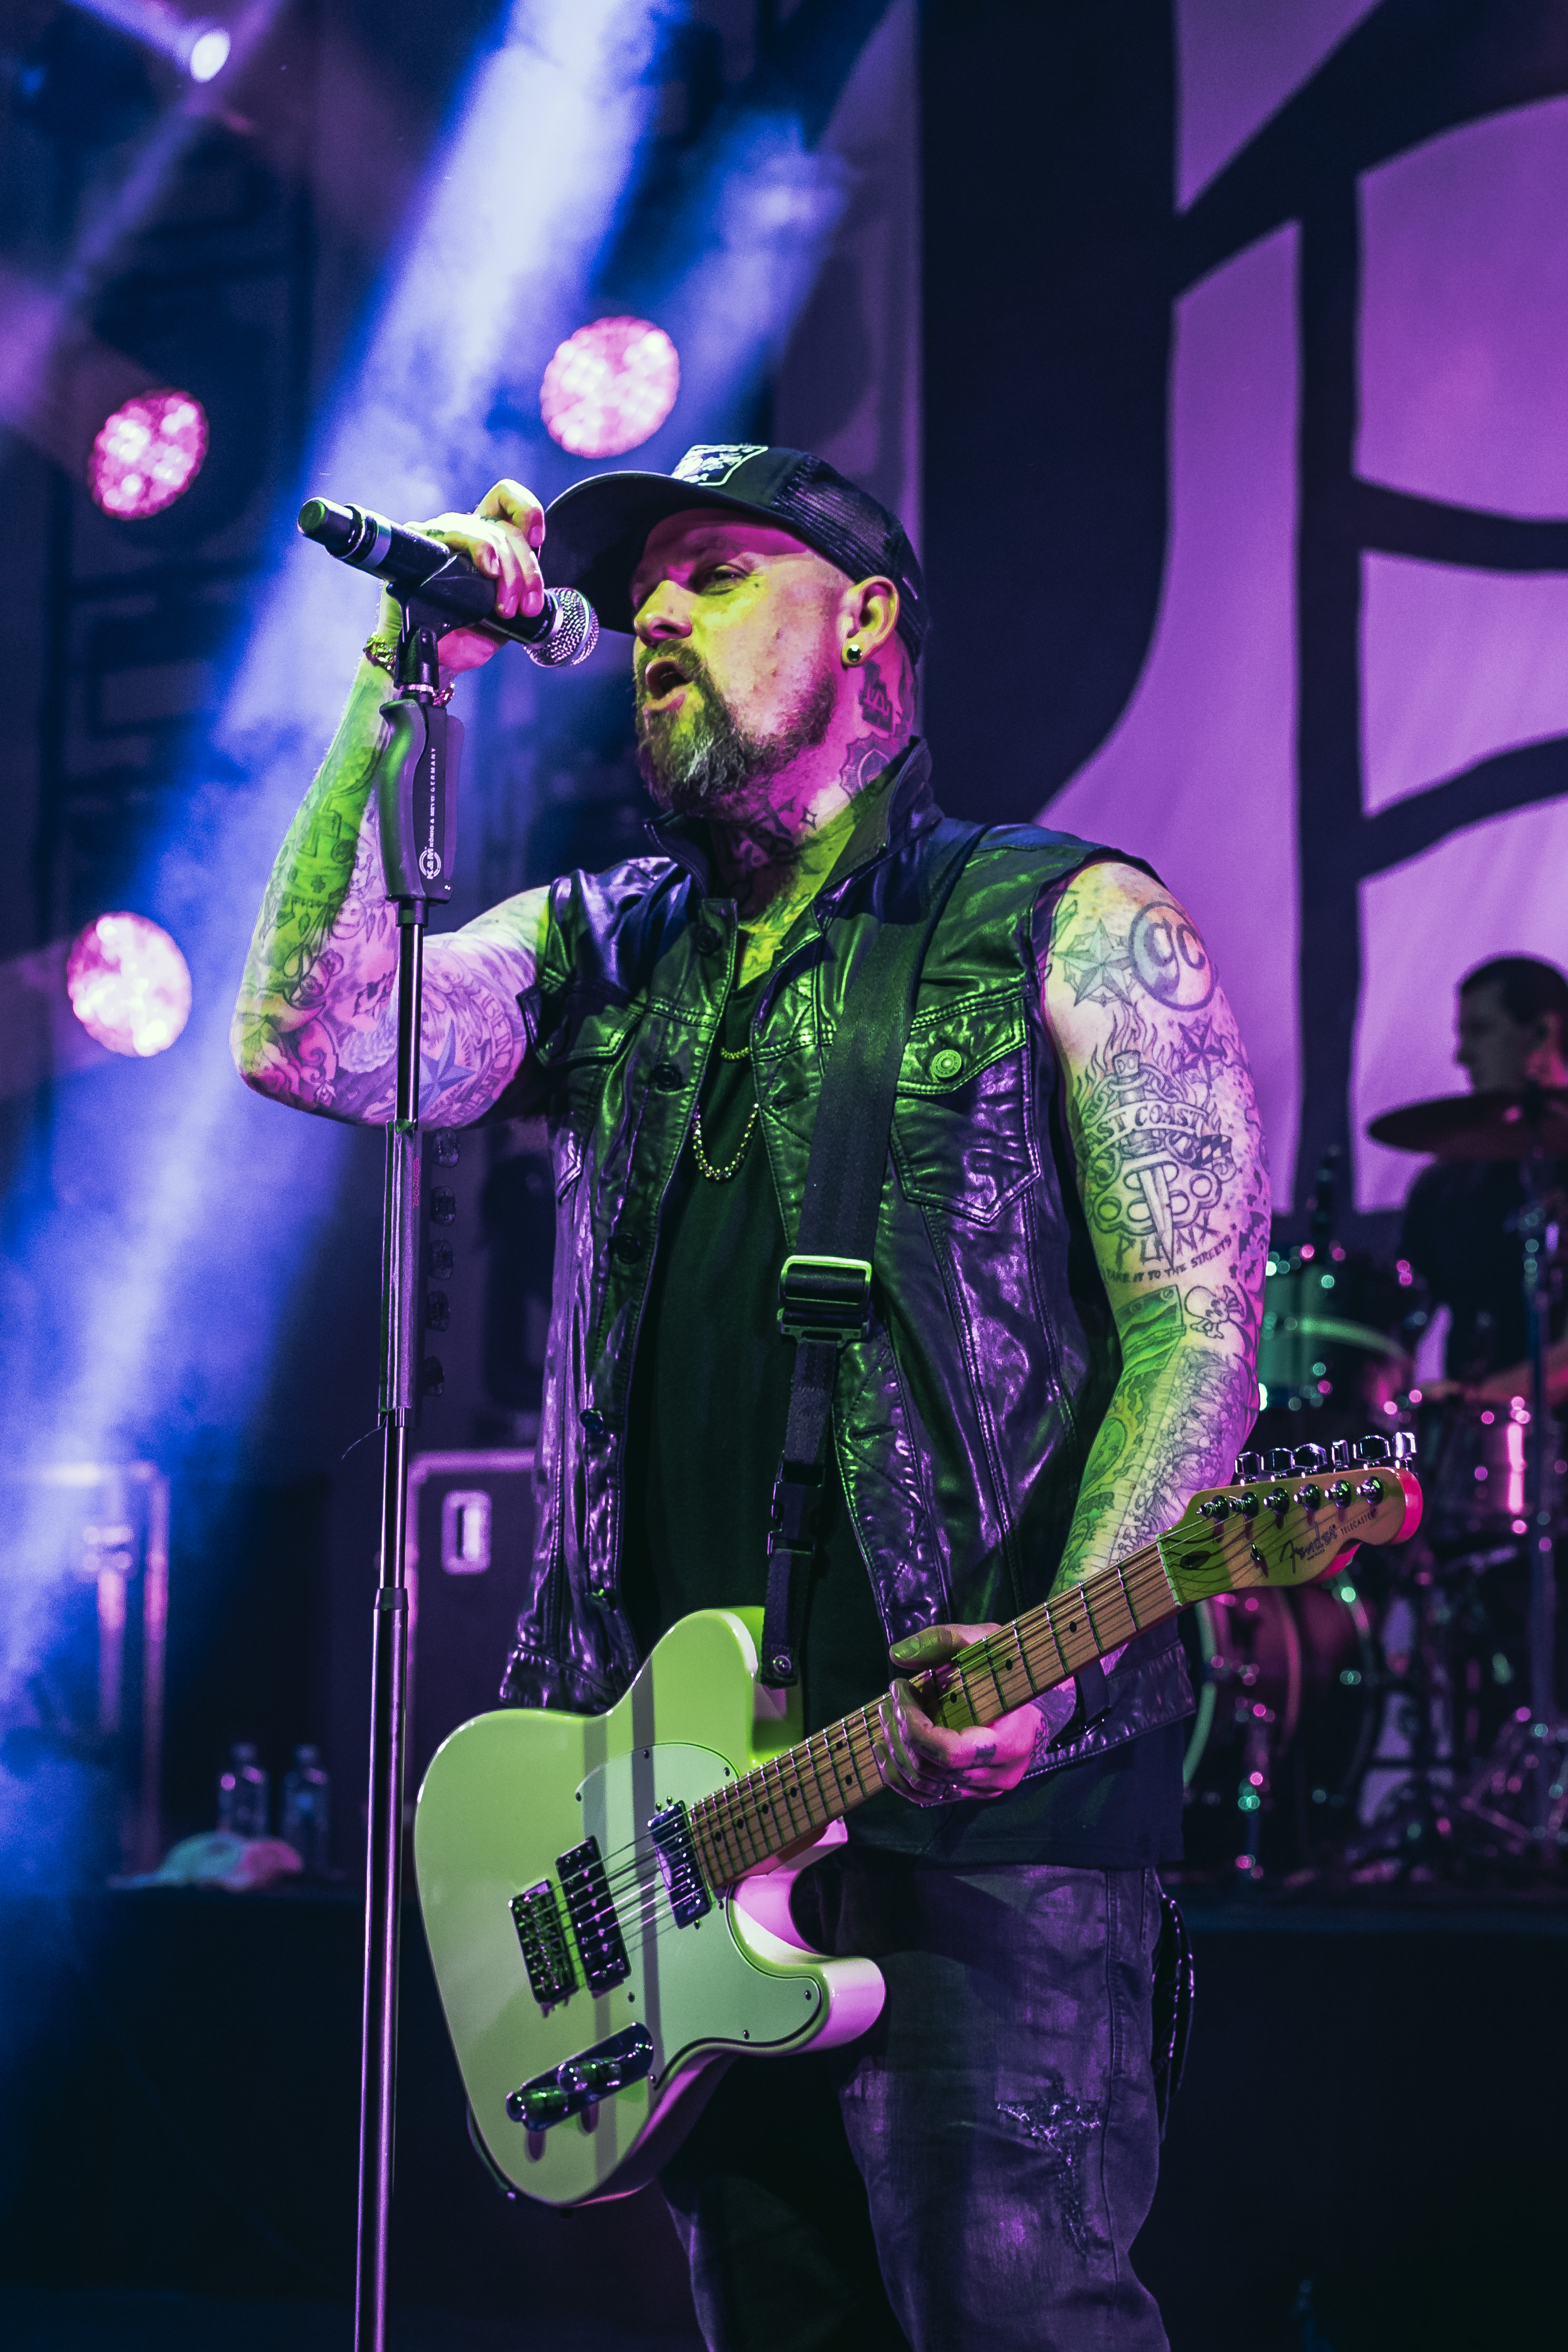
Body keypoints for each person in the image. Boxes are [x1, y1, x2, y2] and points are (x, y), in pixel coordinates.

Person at [232, 445, 1267, 2350]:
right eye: (639, 589)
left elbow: (1195, 1330)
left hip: (990, 1825)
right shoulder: (606, 946)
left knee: (1011, 2315)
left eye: (710, 573)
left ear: (864, 616)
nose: (650, 613)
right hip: (676, 1825)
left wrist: (1045, 1663)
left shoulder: (1068, 920)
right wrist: (401, 673)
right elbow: (311, 1036)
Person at [1399, 956, 1568, 1407]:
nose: (1461, 1056)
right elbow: (1396, 1328)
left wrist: (1476, 1401)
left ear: (1542, 1033)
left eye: (1480, 1031)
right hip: (1470, 1443)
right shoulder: (1442, 1187)